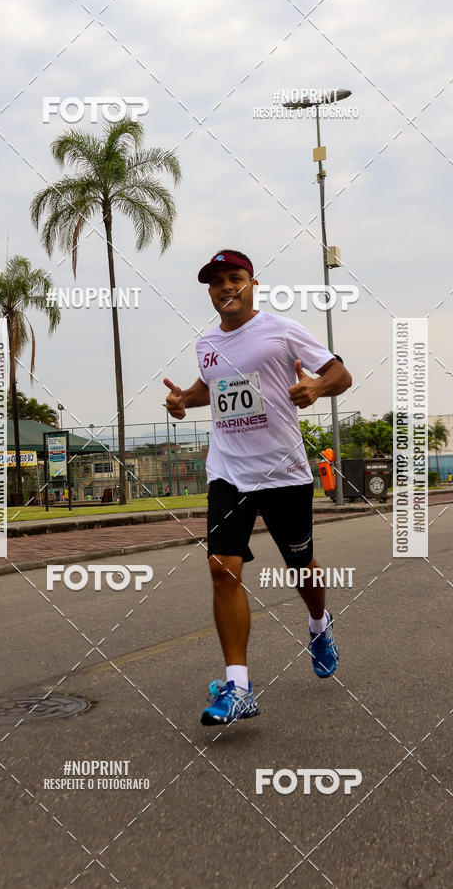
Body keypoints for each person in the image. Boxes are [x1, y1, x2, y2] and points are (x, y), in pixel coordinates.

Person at [164, 249, 352, 725]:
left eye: (234, 278)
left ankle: (318, 625)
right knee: (221, 567)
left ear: (252, 283)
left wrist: (316, 388)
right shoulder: (206, 340)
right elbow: (212, 386)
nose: (225, 287)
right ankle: (239, 687)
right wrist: (184, 399)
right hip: (228, 470)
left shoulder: (281, 329)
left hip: (283, 471)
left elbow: (339, 373)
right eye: (216, 282)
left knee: (300, 566)